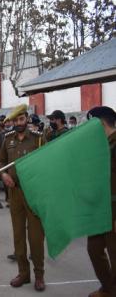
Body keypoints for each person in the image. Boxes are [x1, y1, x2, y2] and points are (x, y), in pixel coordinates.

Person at [0, 104, 46, 292]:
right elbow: (1, 161)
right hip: (15, 194)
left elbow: (46, 163)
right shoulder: (7, 139)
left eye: (21, 119)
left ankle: (39, 275)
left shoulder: (38, 139)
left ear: (26, 119)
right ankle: (23, 274)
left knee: (35, 237)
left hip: (33, 194)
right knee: (18, 236)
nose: (18, 123)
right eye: (15, 120)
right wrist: (3, 175)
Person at [86, 106, 116, 297]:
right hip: (99, 209)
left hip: (114, 210)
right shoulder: (101, 145)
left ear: (100, 124)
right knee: (94, 250)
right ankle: (108, 288)